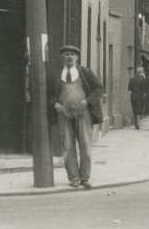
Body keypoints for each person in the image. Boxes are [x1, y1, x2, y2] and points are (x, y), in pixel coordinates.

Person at [48, 45, 103, 189]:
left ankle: (85, 178)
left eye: (72, 54)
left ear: (77, 57)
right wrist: (56, 105)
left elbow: (98, 88)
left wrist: (87, 101)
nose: (69, 57)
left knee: (85, 145)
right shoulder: (55, 74)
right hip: (64, 114)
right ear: (62, 57)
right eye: (66, 54)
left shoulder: (85, 72)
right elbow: (49, 93)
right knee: (68, 147)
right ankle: (73, 178)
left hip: (83, 114)